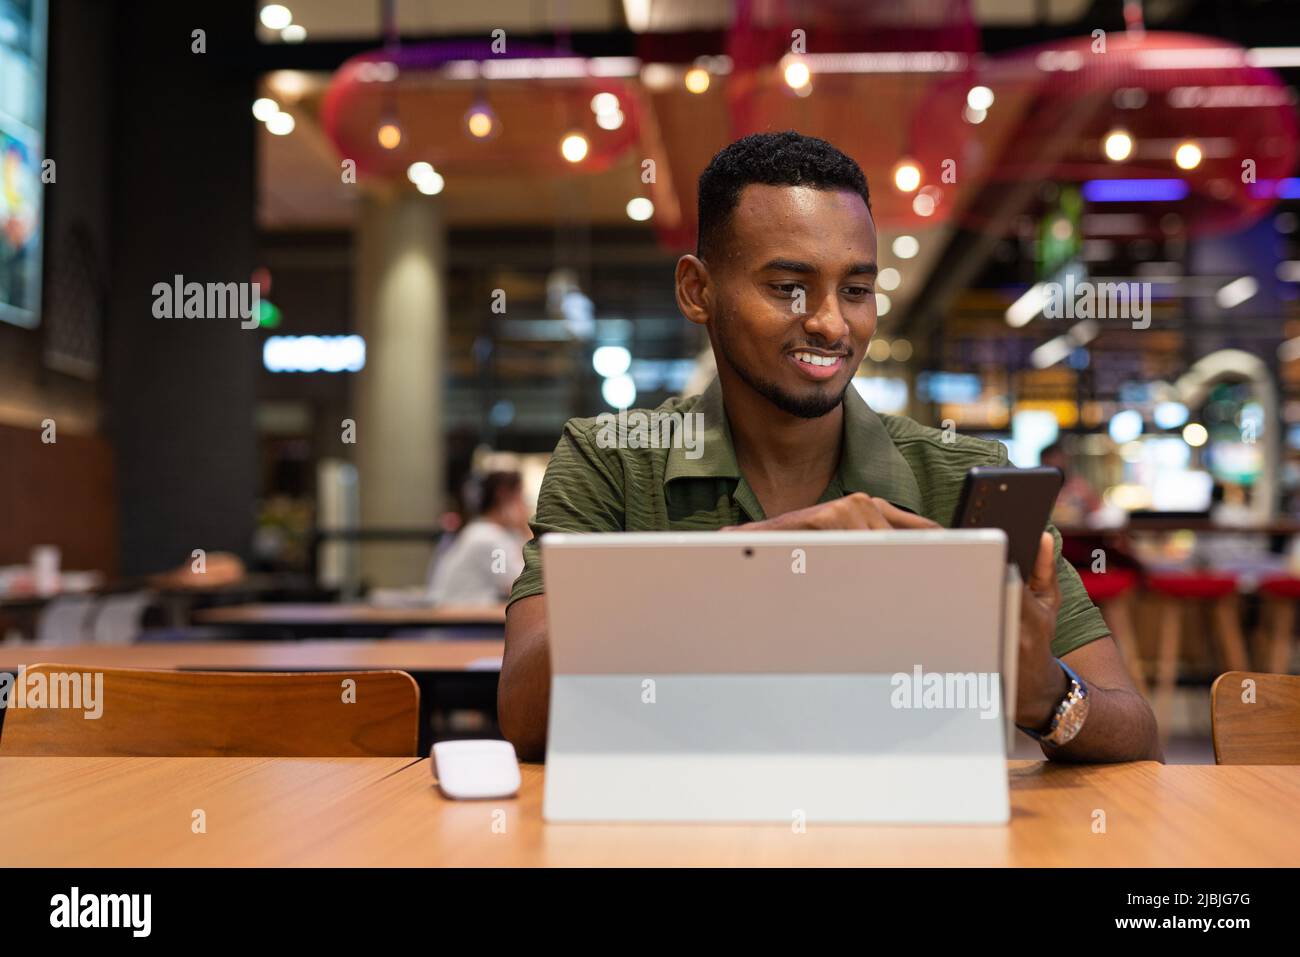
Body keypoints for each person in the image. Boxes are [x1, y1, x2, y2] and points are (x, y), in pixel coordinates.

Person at [500, 131, 1160, 764]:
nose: (831, 322)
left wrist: (1043, 693)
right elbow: (525, 714)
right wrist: (743, 567)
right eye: (788, 286)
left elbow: (1137, 733)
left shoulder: (965, 477)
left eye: (856, 290)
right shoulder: (610, 461)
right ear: (698, 290)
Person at [429, 471, 529, 606]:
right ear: (504, 496)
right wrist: (525, 530)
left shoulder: (484, 532)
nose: (525, 506)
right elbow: (519, 585)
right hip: (463, 620)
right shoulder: (487, 538)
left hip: (468, 615)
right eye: (520, 497)